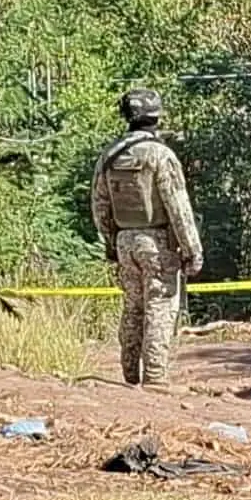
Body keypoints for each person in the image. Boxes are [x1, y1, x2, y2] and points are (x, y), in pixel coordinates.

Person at [90, 88, 203, 389]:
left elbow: (99, 204)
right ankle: (155, 377)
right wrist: (193, 249)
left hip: (125, 241)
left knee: (133, 307)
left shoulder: (110, 155)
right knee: (160, 305)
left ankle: (129, 375)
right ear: (157, 116)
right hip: (158, 243)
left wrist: (111, 242)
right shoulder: (160, 155)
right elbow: (178, 206)